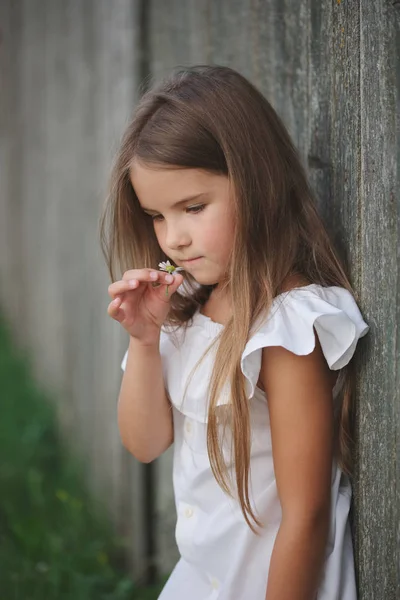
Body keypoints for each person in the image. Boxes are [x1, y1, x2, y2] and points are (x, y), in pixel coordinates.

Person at [100, 65, 369, 600]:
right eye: (157, 215)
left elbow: (307, 514)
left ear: (255, 180)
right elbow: (145, 442)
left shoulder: (285, 329)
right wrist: (144, 340)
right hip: (202, 579)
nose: (173, 238)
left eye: (194, 208)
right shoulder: (187, 309)